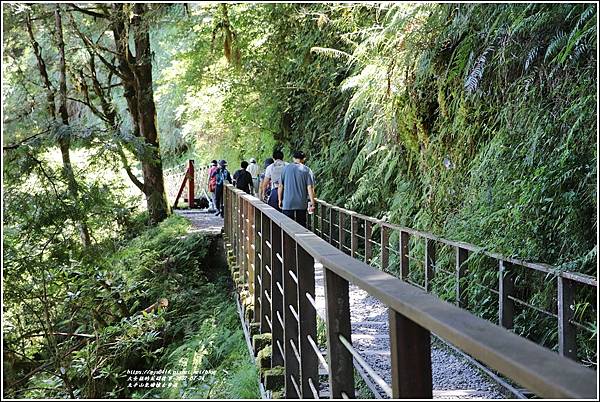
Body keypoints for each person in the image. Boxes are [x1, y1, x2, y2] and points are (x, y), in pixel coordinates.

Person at [278, 151, 316, 228]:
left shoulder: (285, 169)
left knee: (287, 227)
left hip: (288, 202)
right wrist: (312, 202)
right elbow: (309, 187)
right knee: (301, 226)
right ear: (303, 159)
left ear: (293, 158)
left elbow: (280, 186)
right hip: (301, 203)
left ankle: (288, 240)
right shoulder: (307, 170)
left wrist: (280, 200)